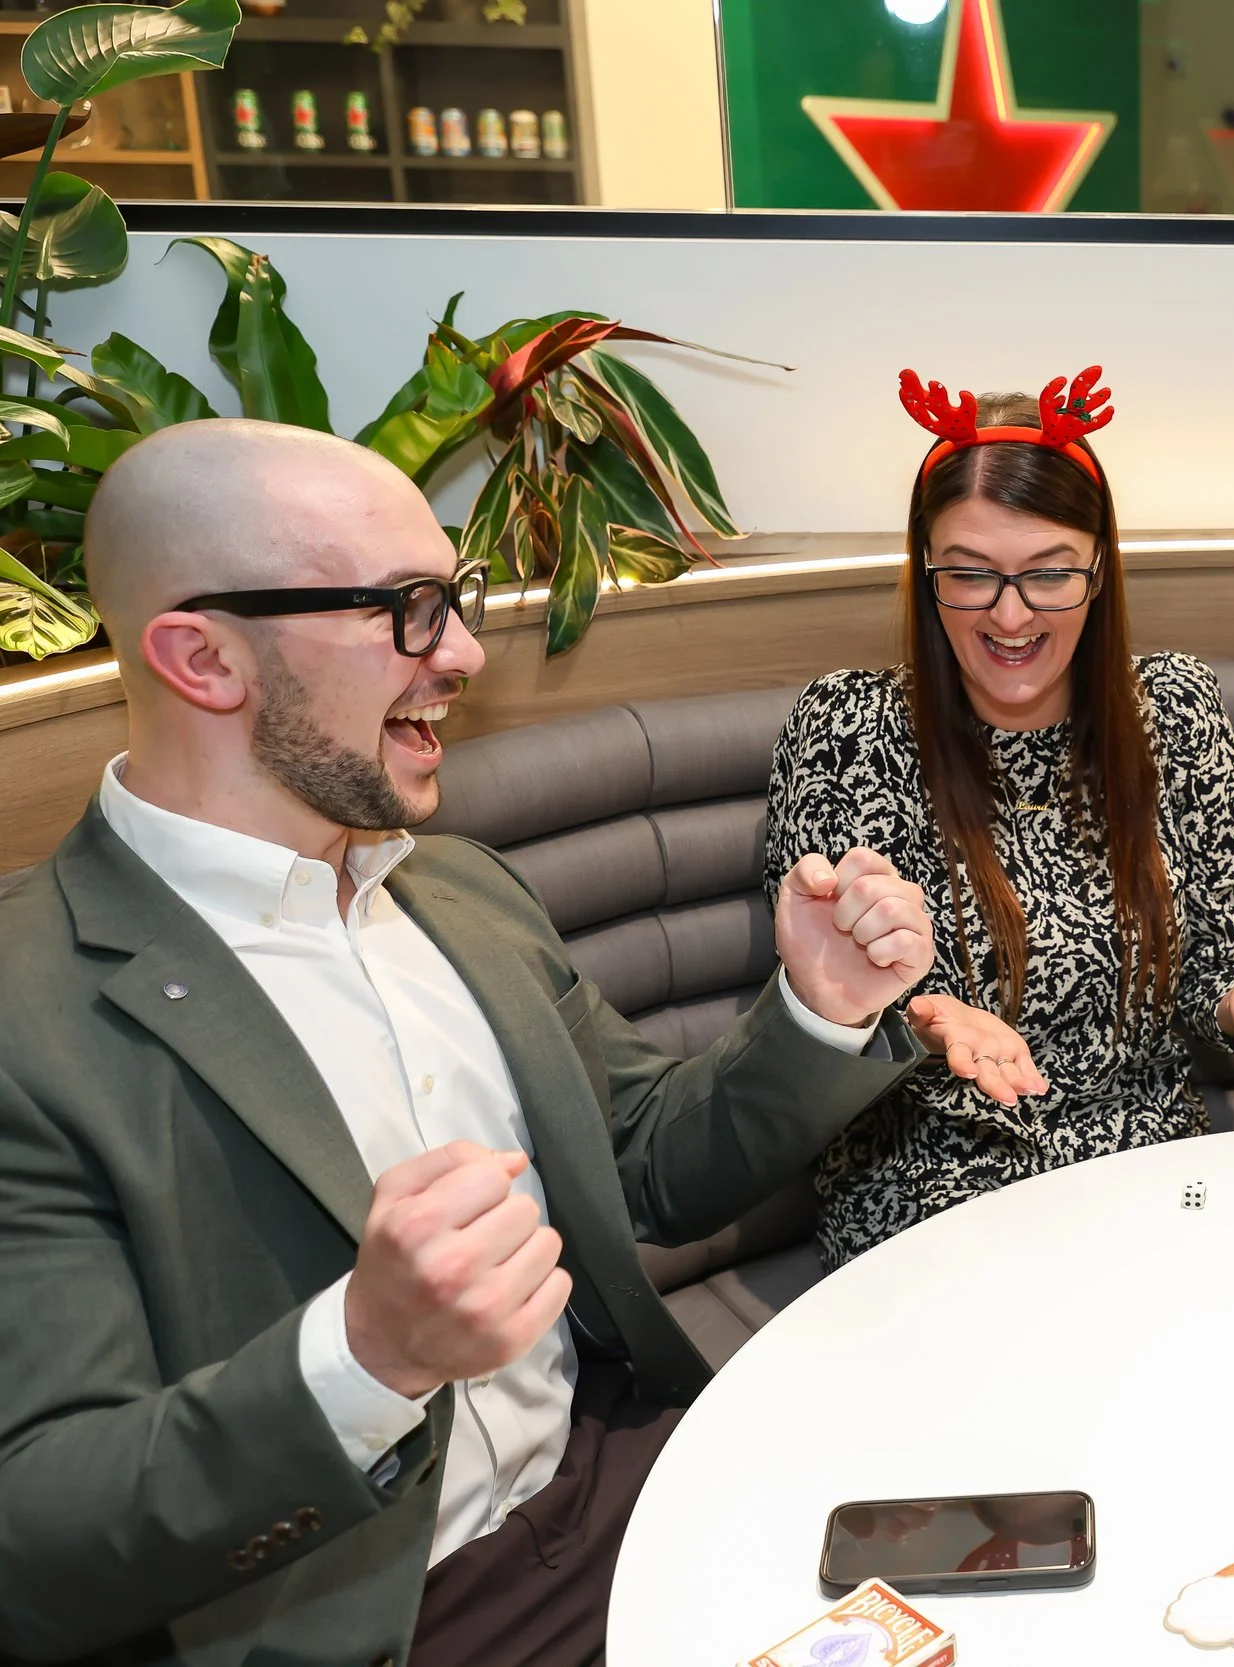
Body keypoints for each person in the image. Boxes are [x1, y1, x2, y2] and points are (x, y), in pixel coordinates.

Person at [0, 421, 938, 1667]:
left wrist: (818, 1007)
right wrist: (365, 1357)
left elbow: (647, 1165)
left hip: (631, 1480)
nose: (461, 652)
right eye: (406, 609)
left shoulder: (457, 890)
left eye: (455, 598)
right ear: (204, 657)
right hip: (376, 1613)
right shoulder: (30, 1008)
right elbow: (36, 1542)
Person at [765, 367, 1234, 1269]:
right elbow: (822, 997)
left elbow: (1211, 956)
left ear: (1098, 571)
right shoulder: (846, 727)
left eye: (1049, 573)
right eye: (970, 574)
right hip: (932, 1181)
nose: (1010, 614)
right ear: (927, 574)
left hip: (1149, 1166)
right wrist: (920, 1023)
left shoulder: (1176, 708)